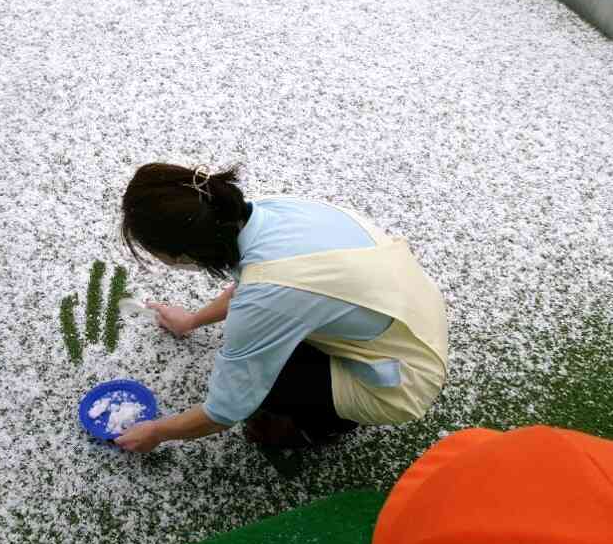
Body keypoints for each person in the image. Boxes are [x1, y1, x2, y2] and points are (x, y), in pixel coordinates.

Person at [114, 163, 448, 453]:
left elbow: (224, 409)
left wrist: (157, 432)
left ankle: (319, 427)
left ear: (182, 252)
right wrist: (192, 321)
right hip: (414, 312)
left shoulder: (269, 292)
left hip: (405, 378)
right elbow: (264, 282)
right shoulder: (257, 213)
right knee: (274, 335)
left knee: (265, 386)